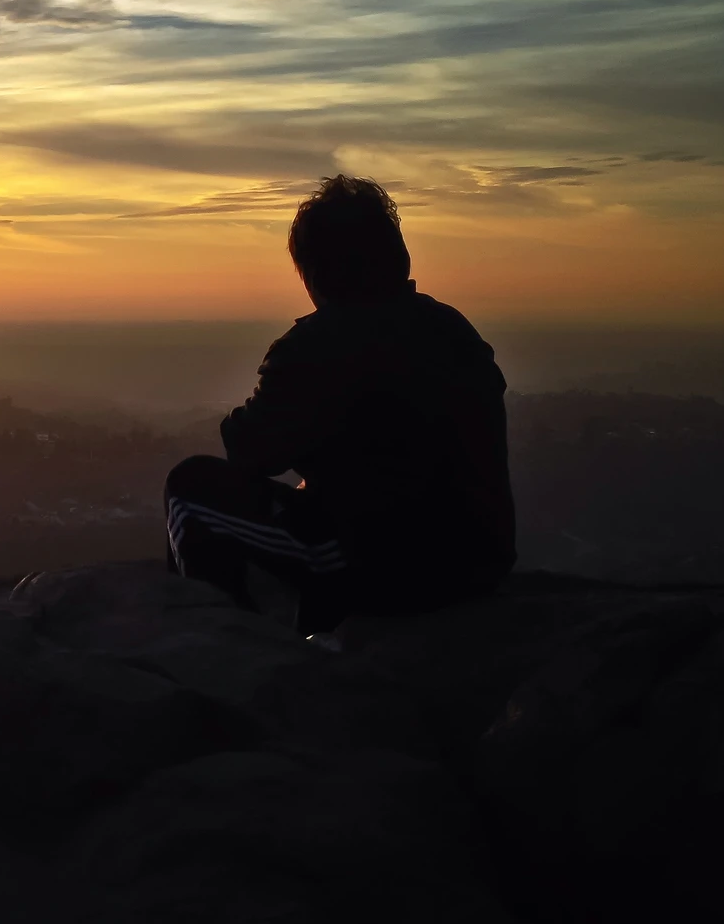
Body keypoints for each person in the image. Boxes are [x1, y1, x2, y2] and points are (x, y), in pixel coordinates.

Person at [164, 176, 515, 634]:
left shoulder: (318, 344)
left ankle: (227, 653)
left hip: (386, 568)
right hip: (479, 562)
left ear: (314, 272)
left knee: (190, 489)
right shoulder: (452, 329)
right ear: (399, 258)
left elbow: (252, 451)